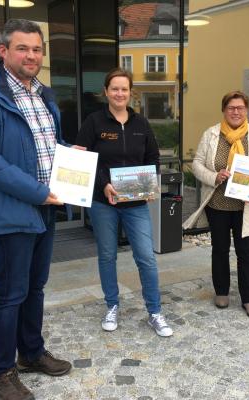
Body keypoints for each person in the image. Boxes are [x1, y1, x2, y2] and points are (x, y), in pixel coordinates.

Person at [0, 19, 79, 400]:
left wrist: (68, 154)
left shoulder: (44, 93)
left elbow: (47, 143)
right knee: (10, 292)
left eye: (37, 49)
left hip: (45, 206)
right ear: (3, 52)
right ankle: (1, 372)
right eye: (23, 48)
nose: (32, 56)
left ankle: (31, 353)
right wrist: (36, 191)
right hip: (13, 209)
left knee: (35, 287)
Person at [76, 68, 173, 337]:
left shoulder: (141, 124)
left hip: (135, 203)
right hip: (103, 202)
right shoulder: (94, 122)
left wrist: (149, 183)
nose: (119, 93)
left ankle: (155, 311)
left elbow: (152, 157)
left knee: (146, 257)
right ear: (106, 92)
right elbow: (83, 161)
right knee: (107, 256)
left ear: (131, 93)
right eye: (114, 88)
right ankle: (112, 305)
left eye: (124, 89)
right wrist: (103, 184)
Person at [183, 91, 249, 318]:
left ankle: (248, 299)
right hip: (218, 204)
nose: (235, 112)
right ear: (224, 110)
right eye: (231, 107)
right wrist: (214, 176)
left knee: (246, 253)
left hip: (245, 206)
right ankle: (221, 291)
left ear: (246, 110)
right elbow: (197, 164)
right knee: (220, 250)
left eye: (240, 107)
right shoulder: (211, 134)